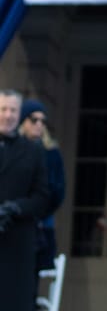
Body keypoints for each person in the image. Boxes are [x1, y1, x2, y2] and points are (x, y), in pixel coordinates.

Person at [0, 89, 51, 311]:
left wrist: (16, 208)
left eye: (13, 110)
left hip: (18, 245)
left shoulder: (33, 152)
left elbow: (42, 197)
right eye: (3, 109)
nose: (8, 115)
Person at [18, 99, 65, 271]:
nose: (39, 125)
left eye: (42, 121)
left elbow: (58, 191)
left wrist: (37, 210)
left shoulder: (51, 153)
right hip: (15, 223)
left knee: (33, 277)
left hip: (42, 225)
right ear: (22, 121)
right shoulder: (12, 149)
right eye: (33, 119)